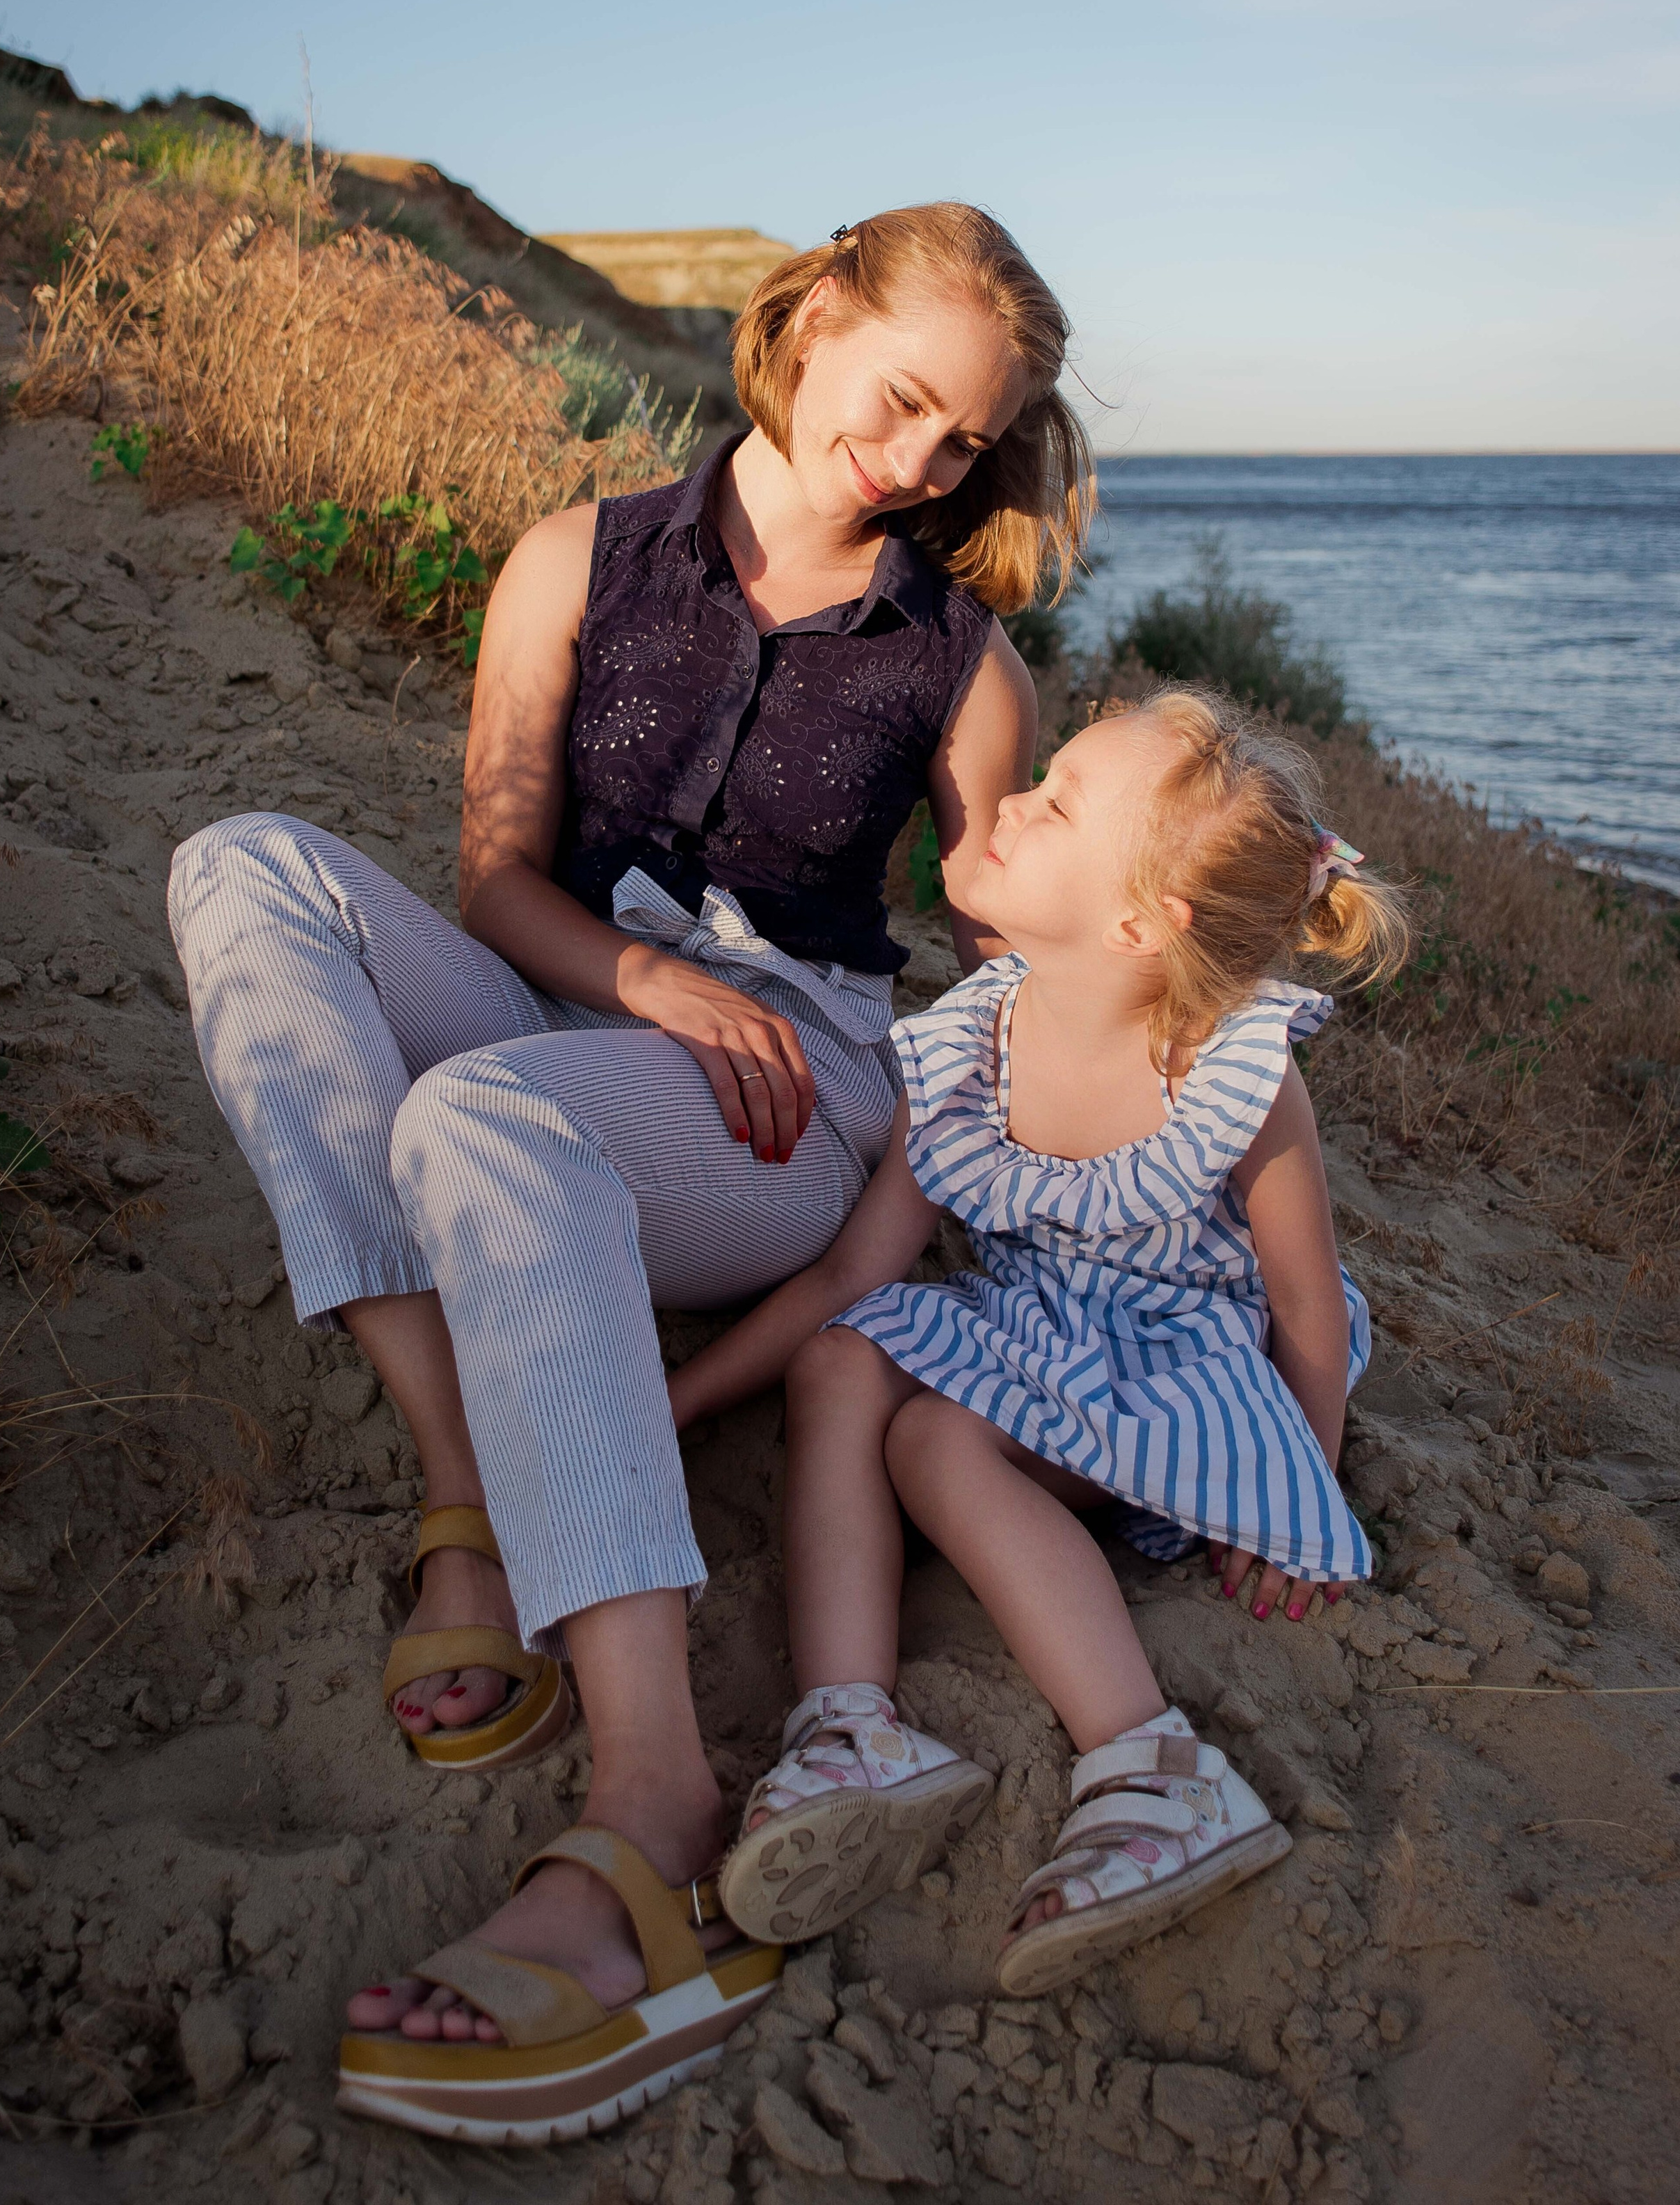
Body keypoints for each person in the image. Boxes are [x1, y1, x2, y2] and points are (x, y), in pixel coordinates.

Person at [166, 204, 1091, 2140]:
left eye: (963, 441)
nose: (921, 460)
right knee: (245, 860)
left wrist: (871, 1239)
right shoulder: (576, 555)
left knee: (485, 1121)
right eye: (904, 397)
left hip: (782, 1098)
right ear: (813, 317)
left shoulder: (962, 657)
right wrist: (638, 974)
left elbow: (1012, 996)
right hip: (566, 999)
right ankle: (463, 1488)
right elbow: (496, 868)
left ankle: (657, 1800)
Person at [669, 690, 1410, 1996]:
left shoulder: (1233, 1075)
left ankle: (1151, 1767)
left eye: (1055, 801)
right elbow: (856, 1271)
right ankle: (848, 1726)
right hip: (1037, 1337)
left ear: (1138, 925)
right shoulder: (975, 1038)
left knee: (937, 1439)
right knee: (846, 1356)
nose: (1008, 800)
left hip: (1185, 1371)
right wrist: (670, 1405)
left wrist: (1283, 1493)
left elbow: (1303, 1308)